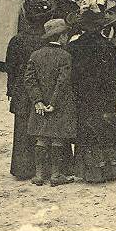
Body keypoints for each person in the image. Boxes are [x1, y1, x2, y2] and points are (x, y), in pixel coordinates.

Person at [68, 10, 116, 183]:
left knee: (88, 131)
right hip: (105, 96)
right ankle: (110, 169)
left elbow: (72, 75)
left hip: (84, 96)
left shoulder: (74, 47)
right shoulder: (108, 46)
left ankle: (91, 171)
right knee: (106, 129)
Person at [24, 18, 76, 186]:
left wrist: (37, 101)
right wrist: (53, 102)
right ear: (62, 37)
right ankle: (56, 174)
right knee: (57, 138)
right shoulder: (65, 56)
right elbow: (63, 81)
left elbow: (29, 80)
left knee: (41, 137)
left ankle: (39, 175)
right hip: (59, 103)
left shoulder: (35, 55)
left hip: (39, 104)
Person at [4, 0, 52, 180]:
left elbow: (11, 68)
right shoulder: (48, 39)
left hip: (23, 90)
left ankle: (23, 168)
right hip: (46, 90)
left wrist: (11, 89)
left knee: (23, 129)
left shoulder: (17, 41)